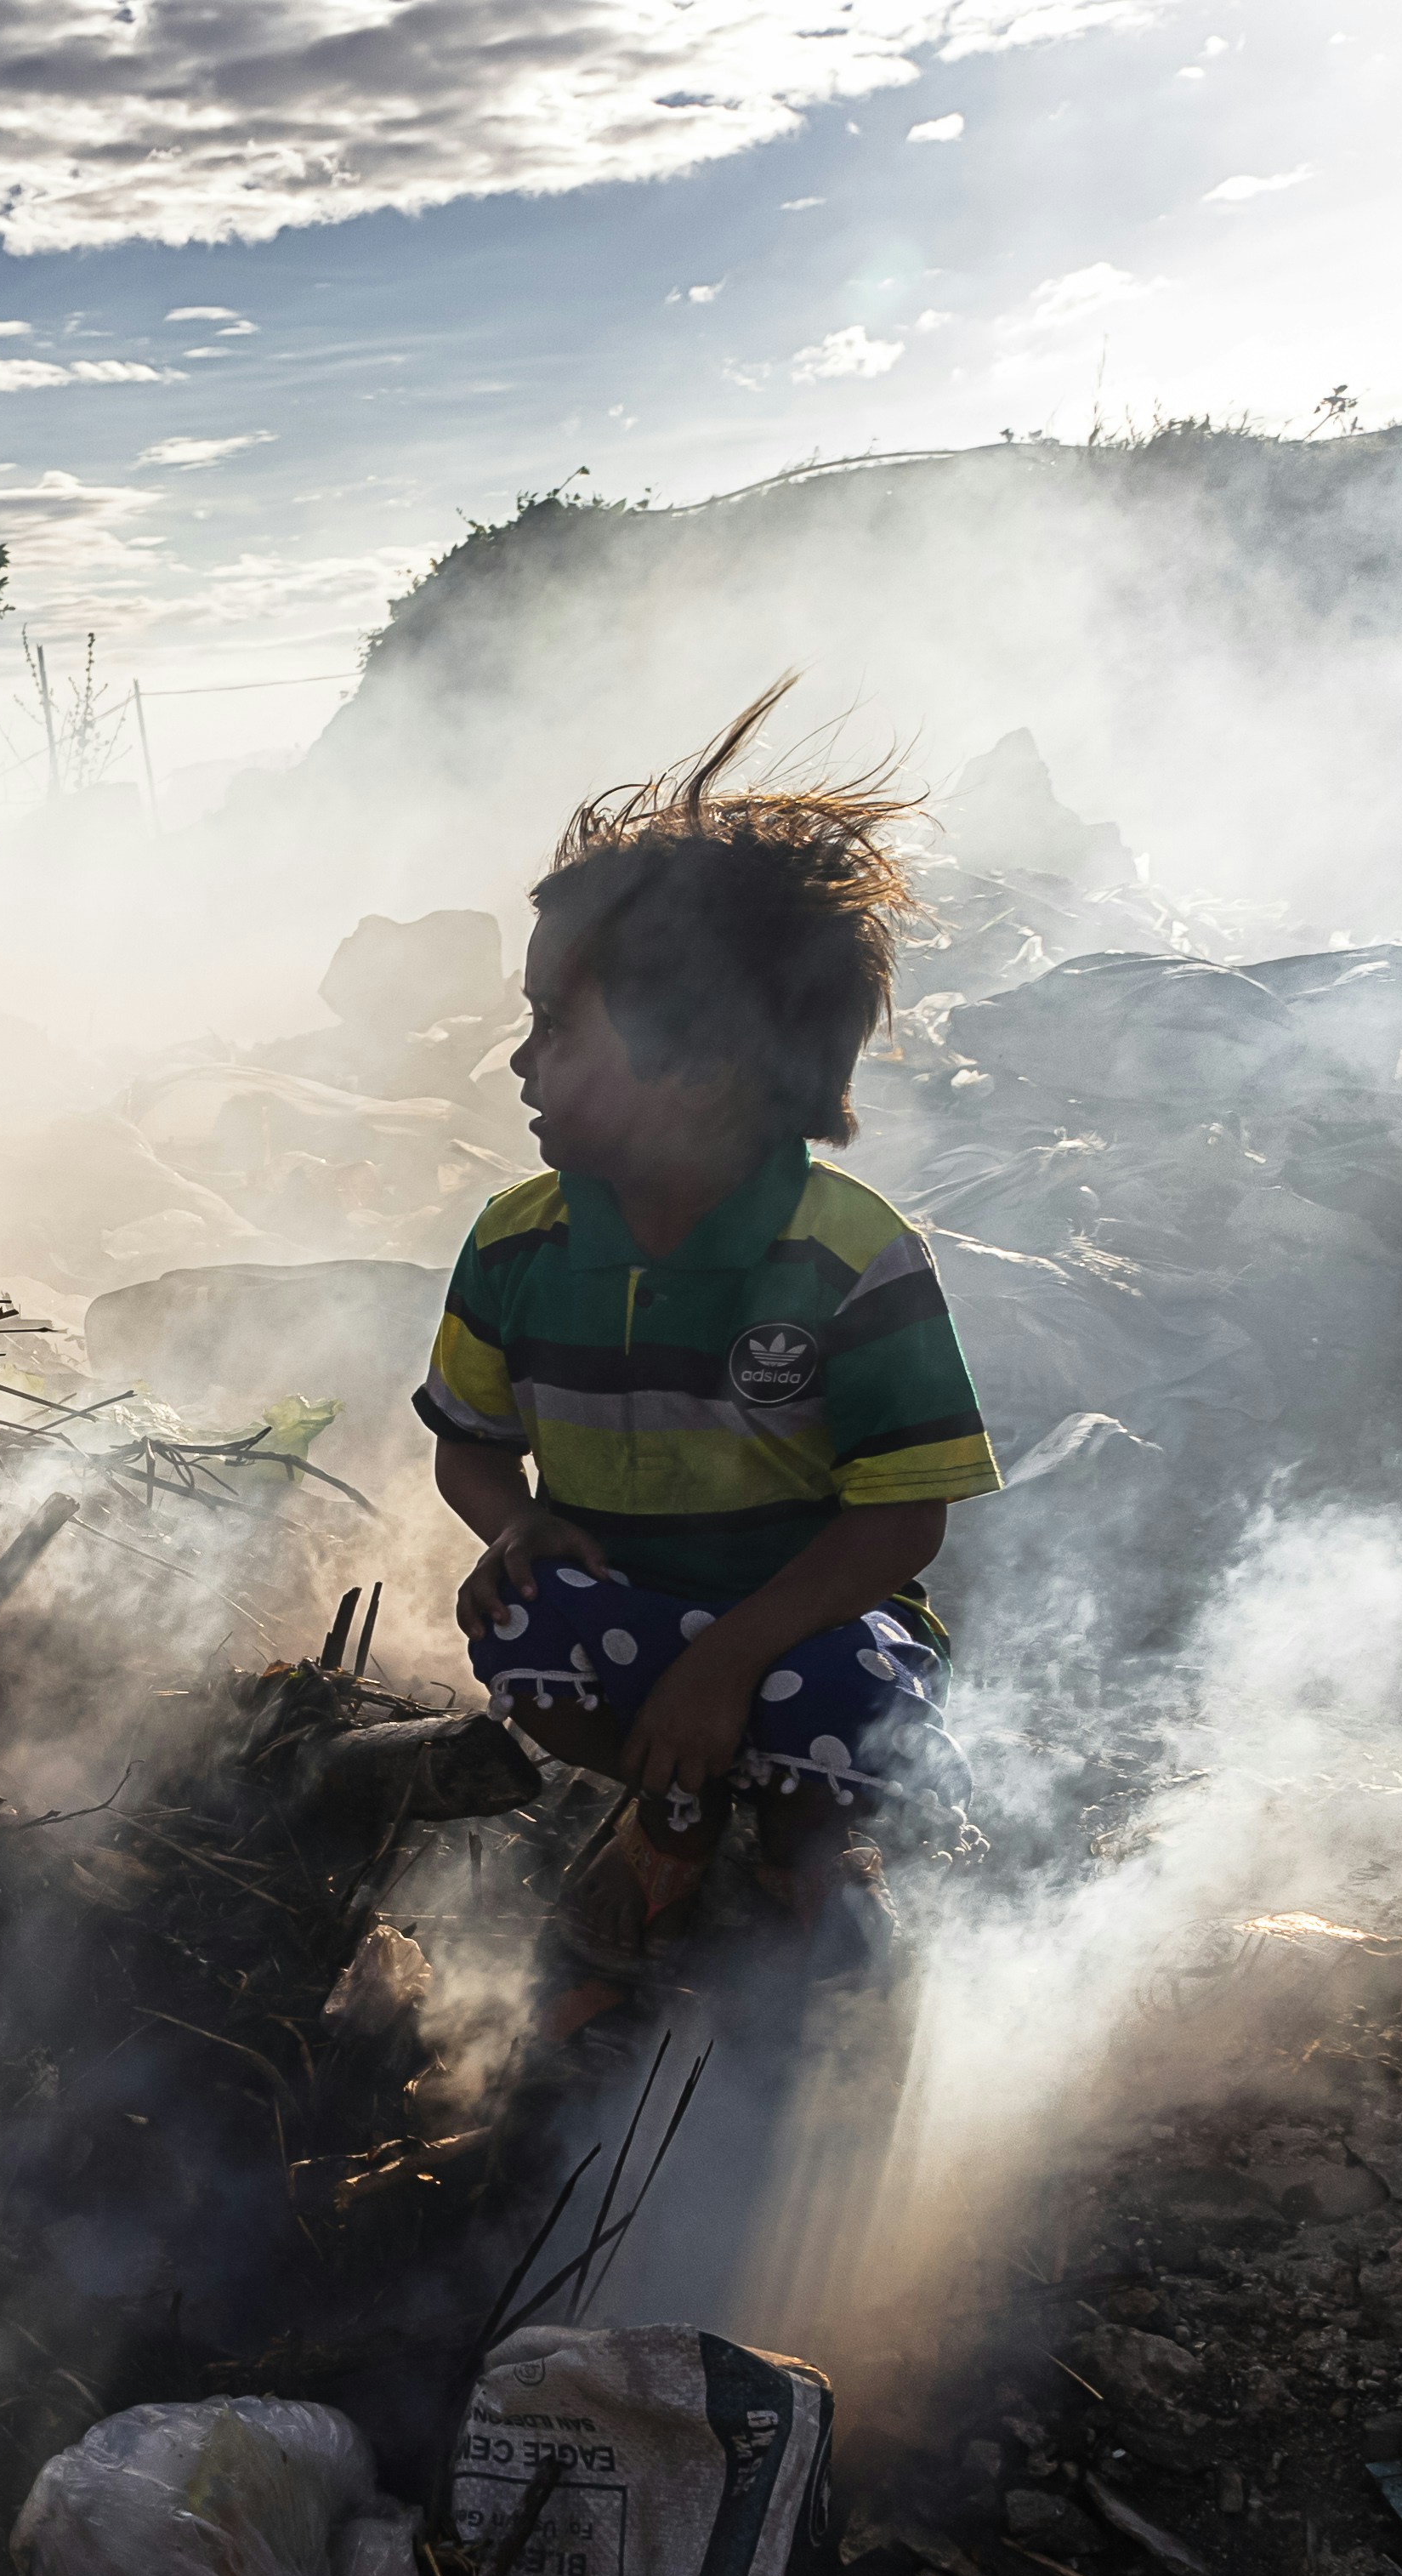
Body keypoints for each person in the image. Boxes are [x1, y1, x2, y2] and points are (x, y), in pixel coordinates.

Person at [416, 685, 1001, 1976]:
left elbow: (905, 1521)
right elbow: (468, 1444)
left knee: (846, 1711)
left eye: (555, 1027)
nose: (519, 1062)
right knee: (515, 1623)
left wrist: (730, 1659)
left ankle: (807, 1847)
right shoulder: (520, 1246)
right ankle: (670, 1817)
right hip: (631, 1608)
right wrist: (514, 1526)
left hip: (804, 1632)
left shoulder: (851, 1256)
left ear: (701, 1060)